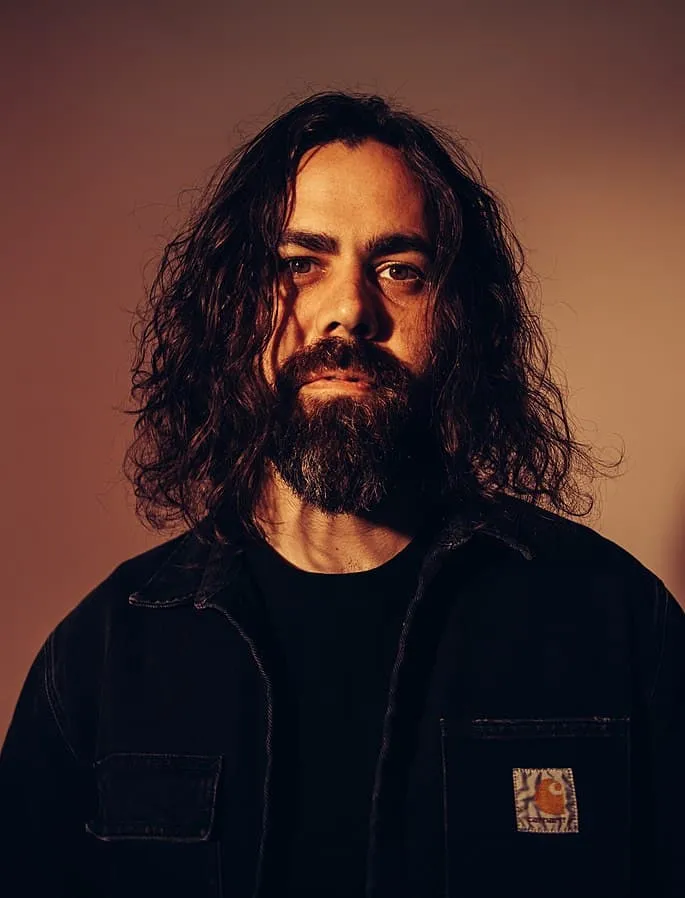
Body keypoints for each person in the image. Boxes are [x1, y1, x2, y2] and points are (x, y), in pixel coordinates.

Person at [0, 91, 682, 898]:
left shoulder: (614, 620)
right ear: (231, 309)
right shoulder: (104, 653)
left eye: (400, 270)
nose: (348, 310)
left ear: (459, 317)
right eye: (298, 263)